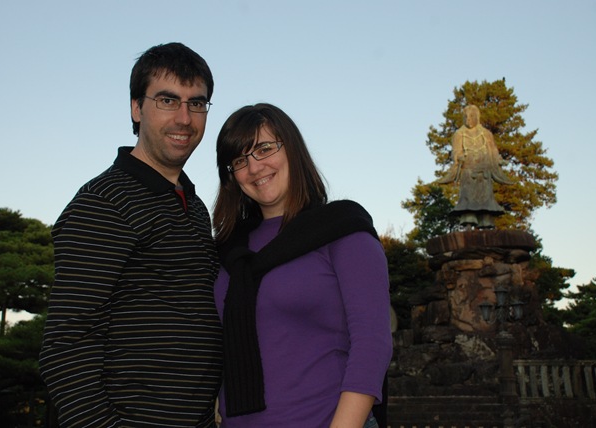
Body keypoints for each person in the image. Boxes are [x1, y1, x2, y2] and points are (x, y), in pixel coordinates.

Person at [39, 42, 222, 428]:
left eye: (197, 103)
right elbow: (65, 345)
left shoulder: (193, 205)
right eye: (168, 100)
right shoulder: (104, 200)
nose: (185, 118)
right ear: (137, 108)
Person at [212, 103, 393, 427]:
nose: (254, 167)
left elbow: (372, 344)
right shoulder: (230, 251)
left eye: (264, 149)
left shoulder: (342, 229)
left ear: (292, 148)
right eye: (239, 160)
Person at [438, 104, 513, 228]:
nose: (469, 119)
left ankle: (486, 222)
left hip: (484, 171)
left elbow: (493, 151)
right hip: (468, 171)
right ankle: (468, 221)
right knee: (468, 197)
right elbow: (455, 151)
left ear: (477, 116)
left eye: (472, 116)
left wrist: (499, 160)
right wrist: (458, 156)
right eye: (466, 117)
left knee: (485, 197)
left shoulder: (486, 134)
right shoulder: (459, 134)